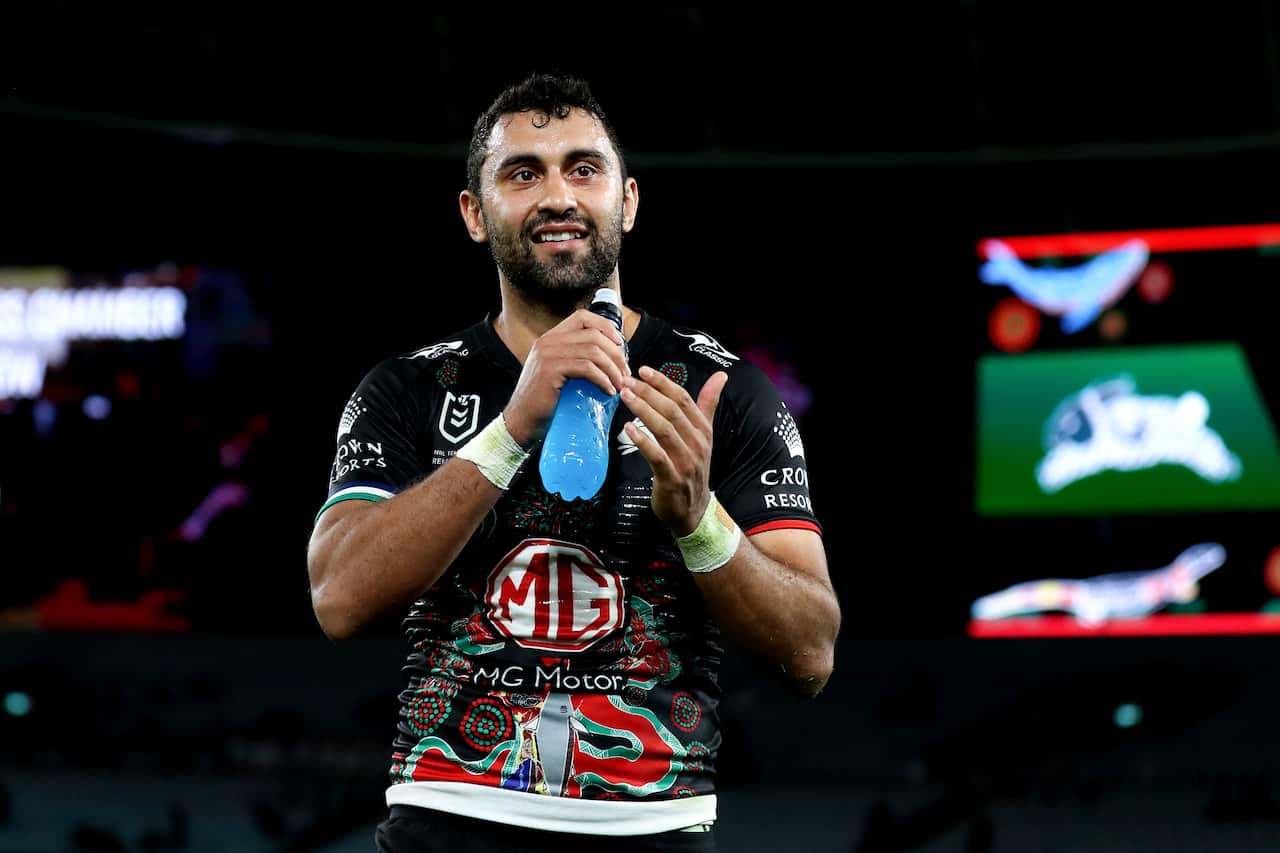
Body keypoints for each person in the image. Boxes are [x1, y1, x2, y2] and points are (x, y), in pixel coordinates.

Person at [307, 72, 840, 852]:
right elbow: (339, 597)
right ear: (474, 214)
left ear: (626, 201)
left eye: (582, 169)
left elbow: (812, 652)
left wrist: (700, 522)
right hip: (447, 820)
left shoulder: (724, 392)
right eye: (523, 173)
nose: (558, 195)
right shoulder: (408, 387)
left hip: (655, 827)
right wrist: (511, 426)